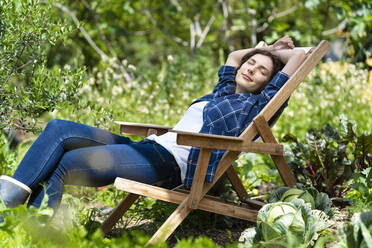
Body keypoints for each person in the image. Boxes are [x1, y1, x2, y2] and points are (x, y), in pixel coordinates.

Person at [0, 36, 305, 211]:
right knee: (58, 129)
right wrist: (264, 50)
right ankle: (13, 209)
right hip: (148, 148)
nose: (251, 68)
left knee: (67, 162)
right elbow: (234, 54)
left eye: (262, 71)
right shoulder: (222, 93)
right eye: (251, 63)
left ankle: (25, 227)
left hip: (169, 165)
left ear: (268, 84)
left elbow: (302, 55)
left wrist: (277, 53)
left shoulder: (253, 106)